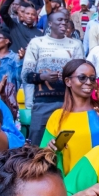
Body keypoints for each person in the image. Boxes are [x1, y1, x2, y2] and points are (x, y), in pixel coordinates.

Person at [40, 59, 99, 174]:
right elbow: (43, 155)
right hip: (73, 187)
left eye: (92, 78)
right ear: (68, 81)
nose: (89, 82)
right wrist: (50, 148)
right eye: (82, 77)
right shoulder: (57, 116)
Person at [22, 9, 84, 145]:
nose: (64, 23)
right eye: (60, 20)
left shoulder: (75, 44)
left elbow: (81, 74)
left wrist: (68, 76)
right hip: (43, 103)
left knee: (67, 143)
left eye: (66, 21)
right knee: (36, 144)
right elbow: (26, 75)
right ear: (50, 23)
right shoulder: (37, 43)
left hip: (68, 102)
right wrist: (43, 76)